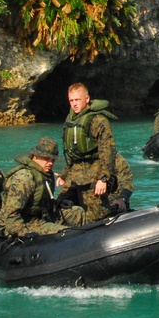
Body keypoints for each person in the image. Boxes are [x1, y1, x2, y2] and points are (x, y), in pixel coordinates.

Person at [0, 137, 84, 236]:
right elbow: (11, 215)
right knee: (66, 232)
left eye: (53, 159)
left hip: (41, 217)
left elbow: (39, 201)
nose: (50, 162)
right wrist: (24, 232)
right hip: (25, 223)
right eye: (46, 158)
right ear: (35, 156)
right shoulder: (24, 178)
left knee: (77, 212)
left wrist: (58, 203)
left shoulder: (47, 174)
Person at [60, 83, 118, 223]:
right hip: (75, 175)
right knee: (60, 205)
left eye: (77, 100)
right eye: (71, 100)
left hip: (93, 174)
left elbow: (107, 151)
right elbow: (71, 152)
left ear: (87, 99)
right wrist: (64, 174)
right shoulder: (71, 119)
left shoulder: (98, 121)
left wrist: (103, 179)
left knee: (95, 216)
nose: (74, 104)